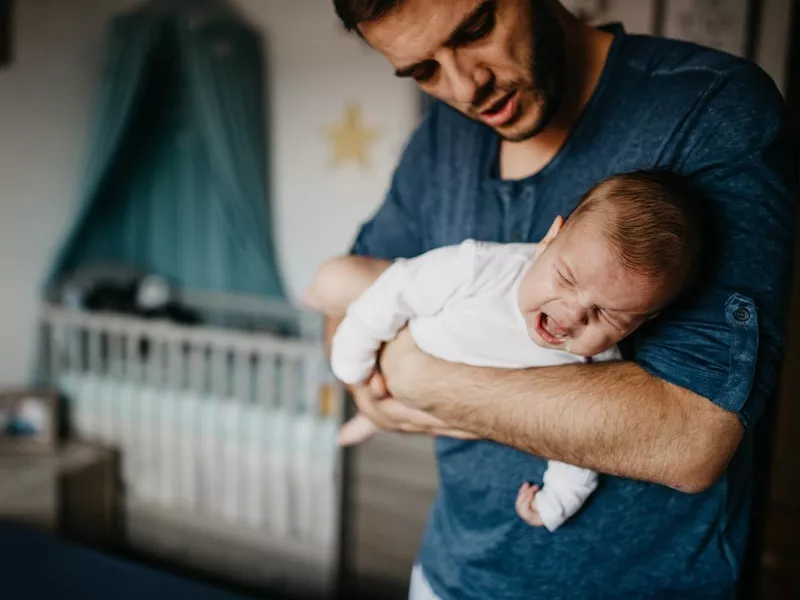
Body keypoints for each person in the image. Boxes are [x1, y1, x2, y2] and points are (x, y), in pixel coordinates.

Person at [327, 0, 796, 598]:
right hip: (452, 574)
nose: (466, 85)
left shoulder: (710, 108)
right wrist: (361, 374)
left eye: (476, 29)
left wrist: (412, 372)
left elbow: (690, 439)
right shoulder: (439, 139)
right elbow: (350, 293)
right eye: (423, 71)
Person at [306, 170, 701, 532]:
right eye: (565, 278)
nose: (571, 314)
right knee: (344, 286)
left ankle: (376, 414)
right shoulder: (483, 266)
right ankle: (372, 410)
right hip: (413, 337)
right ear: (549, 240)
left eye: (606, 314)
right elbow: (397, 290)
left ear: (639, 323)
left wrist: (556, 502)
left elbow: (579, 440)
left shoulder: (595, 363)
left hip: (451, 401)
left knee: (421, 405)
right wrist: (353, 360)